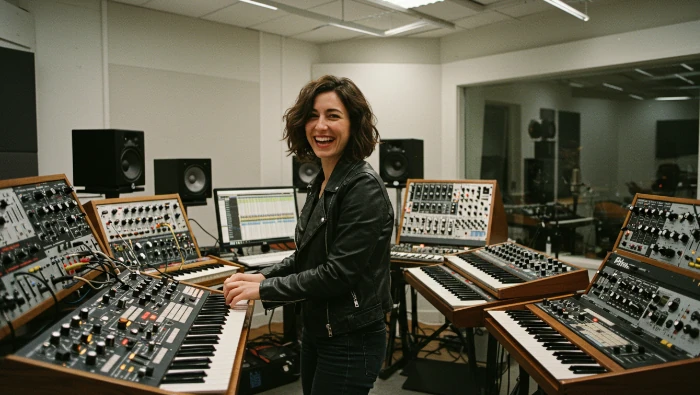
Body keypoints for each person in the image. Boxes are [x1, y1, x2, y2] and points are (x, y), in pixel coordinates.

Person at [223, 75, 394, 395]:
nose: (320, 126)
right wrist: (262, 277)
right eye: (313, 116)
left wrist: (267, 290)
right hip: (319, 329)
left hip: (351, 339)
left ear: (354, 124)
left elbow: (336, 275)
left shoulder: (363, 188)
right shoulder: (324, 180)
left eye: (333, 116)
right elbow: (308, 256)